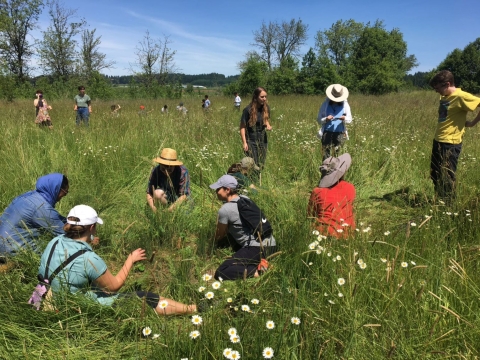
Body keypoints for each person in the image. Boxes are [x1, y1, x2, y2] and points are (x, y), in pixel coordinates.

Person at [36, 205, 197, 315]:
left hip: (46, 299)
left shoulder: (54, 241)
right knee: (144, 297)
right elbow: (114, 286)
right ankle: (192, 309)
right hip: (74, 307)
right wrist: (130, 259)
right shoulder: (89, 259)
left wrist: (90, 239)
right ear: (91, 227)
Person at [210, 175, 276, 281]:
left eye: (218, 189)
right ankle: (262, 263)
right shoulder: (245, 199)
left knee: (222, 271)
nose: (216, 191)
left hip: (257, 248)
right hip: (271, 244)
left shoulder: (225, 210)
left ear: (227, 190)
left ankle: (259, 271)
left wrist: (211, 243)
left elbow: (219, 235)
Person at [429, 70, 480, 202]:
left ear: (447, 84)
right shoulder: (445, 96)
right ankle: (439, 200)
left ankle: (449, 206)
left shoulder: (461, 96)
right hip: (438, 139)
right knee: (435, 173)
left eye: (437, 88)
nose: (436, 91)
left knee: (447, 176)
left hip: (451, 142)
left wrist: (473, 123)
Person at [0, 173, 69, 257]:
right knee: (55, 248)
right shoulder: (42, 208)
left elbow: (56, 220)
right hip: (11, 248)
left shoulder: (28, 195)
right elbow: (66, 232)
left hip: (3, 242)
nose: (63, 197)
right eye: (65, 193)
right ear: (56, 189)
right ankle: (14, 264)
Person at [308, 153, 355, 239]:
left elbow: (310, 215)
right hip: (345, 233)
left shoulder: (317, 191)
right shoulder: (350, 188)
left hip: (320, 234)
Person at [240, 87, 272, 172]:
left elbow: (266, 120)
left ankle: (259, 181)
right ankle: (251, 182)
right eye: (262, 97)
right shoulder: (248, 110)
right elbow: (242, 127)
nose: (264, 99)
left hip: (262, 139)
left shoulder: (266, 108)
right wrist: (244, 142)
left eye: (265, 96)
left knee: (261, 162)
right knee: (253, 163)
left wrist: (268, 125)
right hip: (251, 140)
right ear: (255, 97)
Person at [317, 84, 353, 160]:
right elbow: (319, 119)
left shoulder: (345, 105)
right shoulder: (325, 104)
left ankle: (337, 171)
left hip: (340, 133)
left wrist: (344, 118)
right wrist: (326, 119)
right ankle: (326, 171)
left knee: (338, 155)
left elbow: (349, 119)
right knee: (326, 155)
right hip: (326, 133)